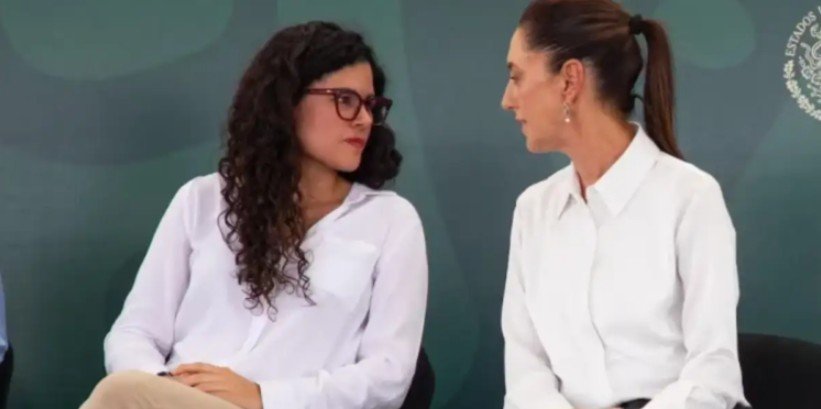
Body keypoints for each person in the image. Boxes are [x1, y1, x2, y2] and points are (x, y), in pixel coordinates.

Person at [81, 21, 428, 409]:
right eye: (345, 100)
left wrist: (265, 396)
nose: (363, 119)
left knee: (117, 394)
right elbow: (135, 332)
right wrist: (164, 388)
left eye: (370, 105)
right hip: (176, 397)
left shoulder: (391, 220)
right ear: (286, 101)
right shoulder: (202, 200)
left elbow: (389, 375)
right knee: (123, 390)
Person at [499, 1, 748, 408]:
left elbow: (713, 373)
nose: (507, 100)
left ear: (569, 80)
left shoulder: (690, 198)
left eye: (516, 76)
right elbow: (526, 368)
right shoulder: (533, 210)